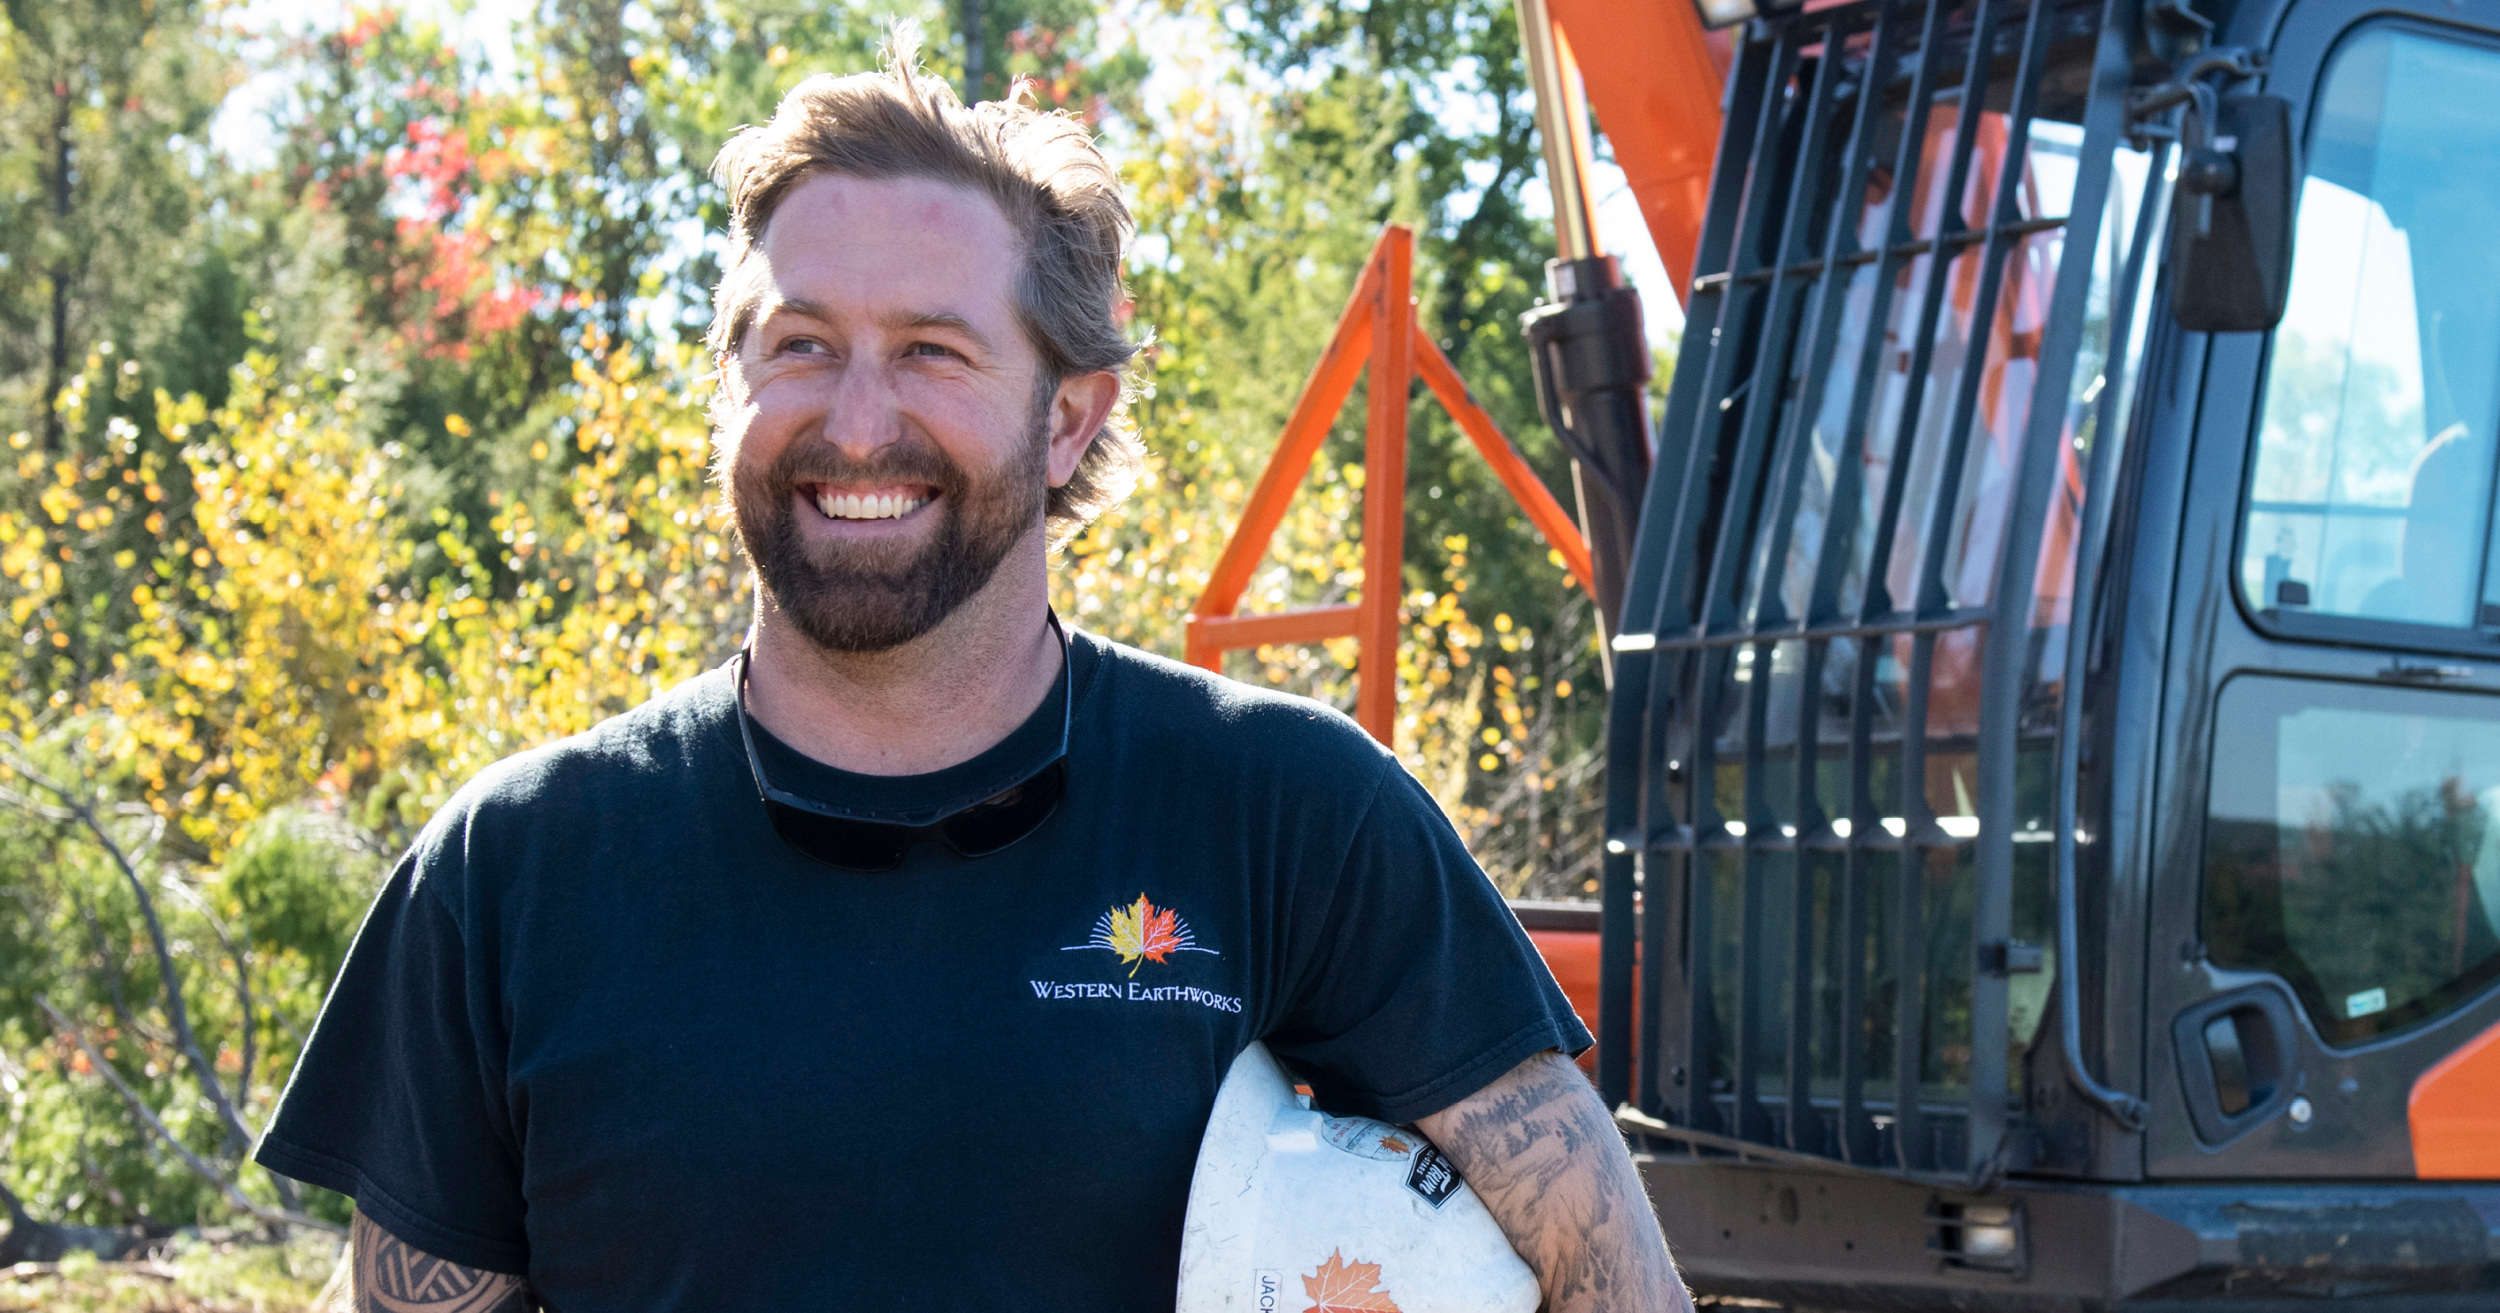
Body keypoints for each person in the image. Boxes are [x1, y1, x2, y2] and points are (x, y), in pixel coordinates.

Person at [252, 49, 1689, 1313]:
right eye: (799, 344)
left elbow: (1609, 1273)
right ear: (727, 387)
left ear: (1068, 419)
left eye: (932, 351)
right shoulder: (516, 868)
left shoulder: (1286, 813)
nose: (855, 419)